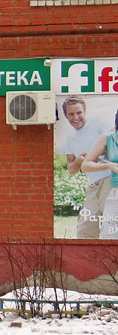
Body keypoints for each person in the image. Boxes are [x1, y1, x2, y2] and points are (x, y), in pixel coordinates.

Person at [61, 96, 110, 239]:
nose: (76, 117)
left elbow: (114, 147)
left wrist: (95, 154)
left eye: (79, 113)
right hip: (93, 185)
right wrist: (79, 161)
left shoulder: (99, 124)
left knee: (111, 223)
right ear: (66, 115)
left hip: (109, 179)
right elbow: (71, 169)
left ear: (85, 111)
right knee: (85, 228)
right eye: (71, 114)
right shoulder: (69, 139)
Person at [78, 107, 118, 238]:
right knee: (109, 236)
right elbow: (85, 165)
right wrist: (110, 166)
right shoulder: (109, 138)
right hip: (115, 193)